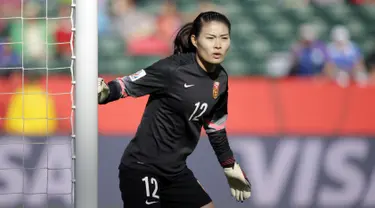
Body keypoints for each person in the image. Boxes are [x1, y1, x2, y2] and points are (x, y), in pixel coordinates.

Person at [98, 11, 251, 208]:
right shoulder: (172, 69)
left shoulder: (221, 79)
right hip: (142, 167)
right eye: (211, 38)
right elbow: (126, 85)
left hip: (175, 172)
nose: (218, 45)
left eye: (224, 38)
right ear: (195, 40)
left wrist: (229, 166)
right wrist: (105, 92)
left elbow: (216, 128)